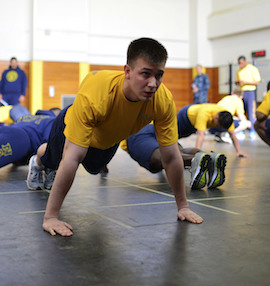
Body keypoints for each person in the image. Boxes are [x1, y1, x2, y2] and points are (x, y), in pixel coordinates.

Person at [26, 38, 203, 237]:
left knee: (94, 169)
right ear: (127, 71)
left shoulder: (162, 101)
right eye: (145, 74)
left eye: (159, 75)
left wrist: (183, 206)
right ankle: (39, 159)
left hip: (107, 139)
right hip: (70, 124)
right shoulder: (97, 94)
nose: (153, 84)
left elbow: (170, 157)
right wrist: (50, 217)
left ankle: (50, 158)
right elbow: (72, 158)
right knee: (56, 160)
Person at [120, 124, 226, 189]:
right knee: (179, 152)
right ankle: (210, 158)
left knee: (159, 159)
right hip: (156, 126)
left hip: (134, 132)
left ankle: (195, 160)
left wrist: (103, 163)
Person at [177, 103, 247, 158]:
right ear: (216, 117)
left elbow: (233, 135)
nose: (219, 128)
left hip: (193, 123)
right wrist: (197, 155)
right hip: (185, 116)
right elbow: (200, 134)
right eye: (219, 125)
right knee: (175, 134)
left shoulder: (226, 118)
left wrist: (239, 151)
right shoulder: (204, 113)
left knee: (183, 135)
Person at [235, 56, 261, 139]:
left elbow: (257, 82)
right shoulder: (239, 71)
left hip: (250, 92)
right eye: (239, 63)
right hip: (241, 92)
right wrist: (238, 82)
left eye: (241, 63)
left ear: (245, 61)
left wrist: (246, 82)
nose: (240, 65)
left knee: (251, 112)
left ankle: (252, 130)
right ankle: (241, 130)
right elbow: (237, 82)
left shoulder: (252, 69)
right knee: (241, 112)